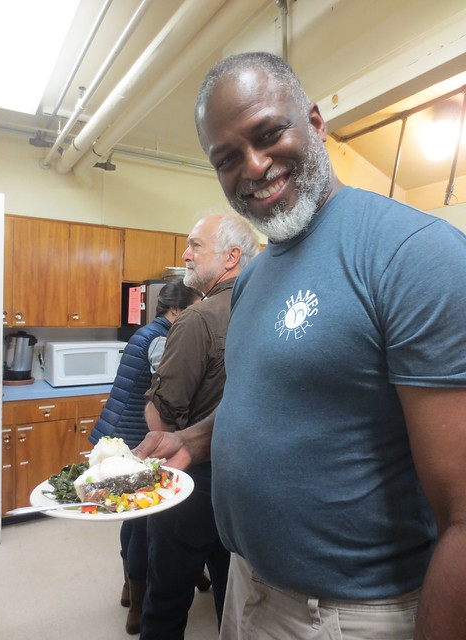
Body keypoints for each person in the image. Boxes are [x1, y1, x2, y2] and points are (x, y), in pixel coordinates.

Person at [133, 51, 466, 640]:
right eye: (227, 159)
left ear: (314, 121)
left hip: (350, 615)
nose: (254, 166)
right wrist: (191, 438)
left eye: (268, 134)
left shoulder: (414, 253)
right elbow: (274, 398)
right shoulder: (256, 276)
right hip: (246, 587)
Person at [132, 212, 260, 640]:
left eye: (194, 246)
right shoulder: (266, 310)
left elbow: (161, 419)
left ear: (231, 257)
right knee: (233, 596)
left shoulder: (196, 319)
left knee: (166, 596)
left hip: (191, 479)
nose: (184, 254)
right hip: (244, 481)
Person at [88, 279, 200, 634]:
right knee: (143, 522)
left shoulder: (144, 332)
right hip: (136, 441)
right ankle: (138, 605)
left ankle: (128, 589)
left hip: (117, 432)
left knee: (131, 519)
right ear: (176, 311)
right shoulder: (162, 339)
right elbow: (164, 391)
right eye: (195, 309)